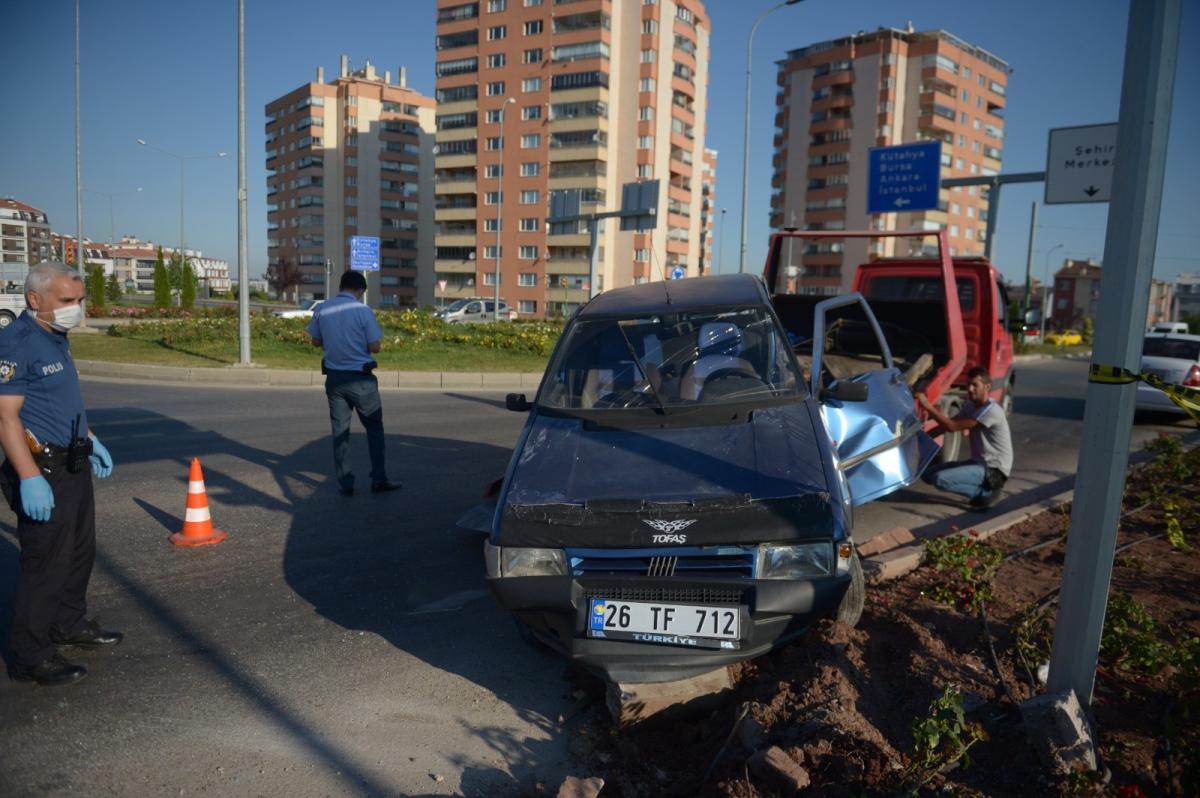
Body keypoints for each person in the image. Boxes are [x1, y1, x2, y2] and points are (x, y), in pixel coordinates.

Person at [0, 262, 120, 686]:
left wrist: (91, 439)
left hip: (73, 461)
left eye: (80, 300)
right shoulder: (16, 343)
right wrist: (29, 476)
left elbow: (61, 404)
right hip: (43, 468)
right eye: (67, 301)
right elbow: (6, 418)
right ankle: (30, 654)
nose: (76, 308)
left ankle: (68, 625)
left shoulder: (56, 337)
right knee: (45, 563)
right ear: (35, 300)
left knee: (79, 551)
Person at [307, 270, 400, 496]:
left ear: (341, 286)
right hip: (361, 380)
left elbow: (316, 340)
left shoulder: (321, 308)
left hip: (334, 379)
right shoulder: (362, 310)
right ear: (360, 290)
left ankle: (345, 483)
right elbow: (375, 346)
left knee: (340, 432)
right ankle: (379, 479)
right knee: (374, 430)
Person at [916, 367, 1013, 511]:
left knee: (939, 478)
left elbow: (952, 427)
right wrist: (920, 441)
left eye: (975, 385)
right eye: (968, 385)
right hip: (978, 462)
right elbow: (945, 425)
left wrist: (927, 406)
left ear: (987, 387)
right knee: (926, 474)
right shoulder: (970, 405)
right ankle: (982, 489)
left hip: (994, 470)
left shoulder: (991, 410)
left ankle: (986, 494)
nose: (970, 389)